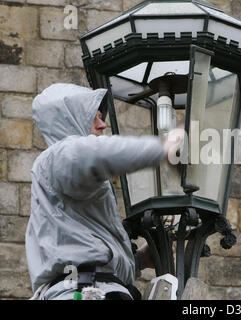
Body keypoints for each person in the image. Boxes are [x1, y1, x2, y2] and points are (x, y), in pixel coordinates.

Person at [26, 83, 182, 300]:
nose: (102, 125)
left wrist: (138, 261)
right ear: (70, 120)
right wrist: (162, 149)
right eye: (94, 118)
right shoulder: (60, 156)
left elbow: (88, 256)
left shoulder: (59, 177)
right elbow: (92, 153)